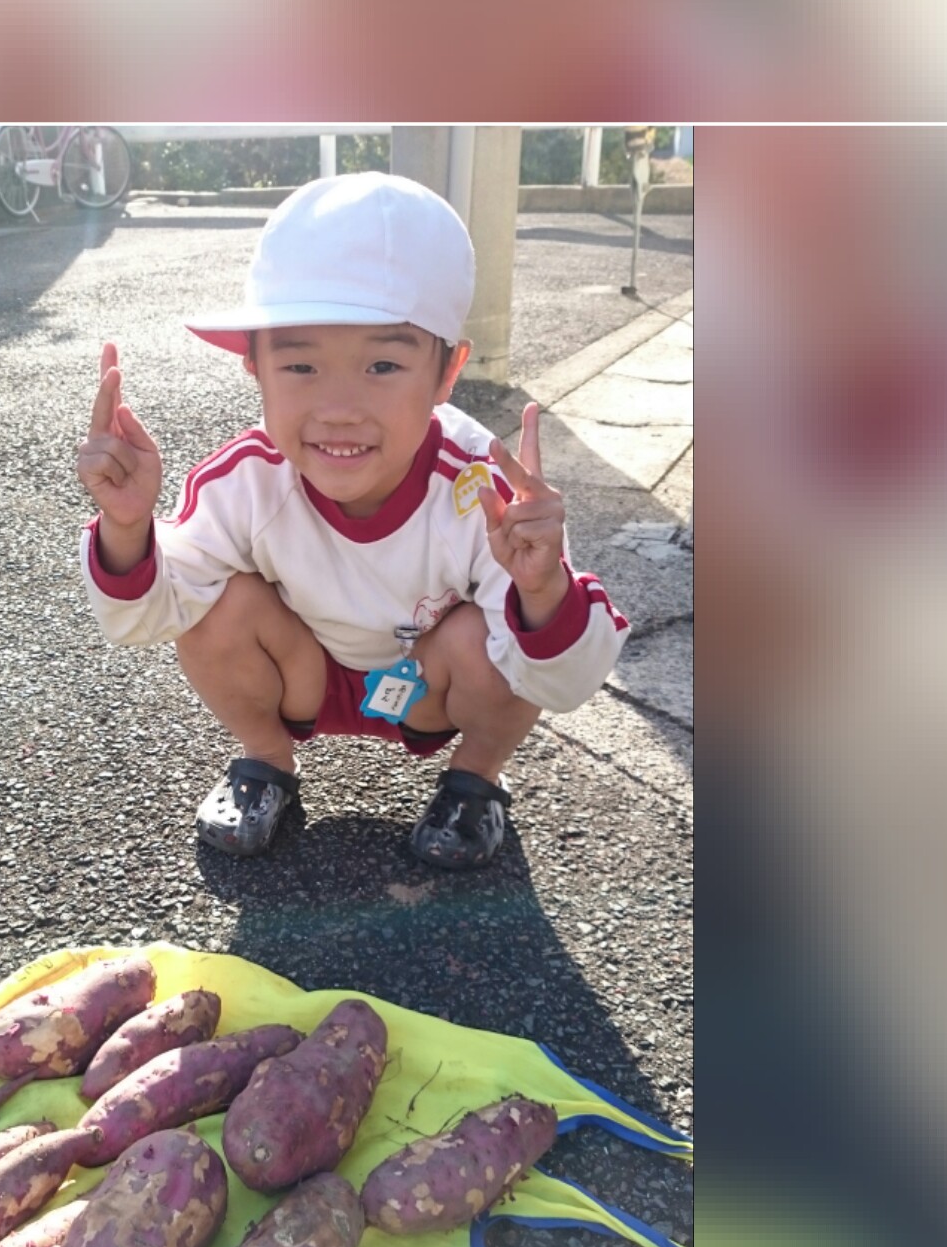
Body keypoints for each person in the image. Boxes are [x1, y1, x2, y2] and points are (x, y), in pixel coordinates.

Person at [74, 171, 628, 868]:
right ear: (254, 368)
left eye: (383, 365)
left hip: (432, 683)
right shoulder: (245, 479)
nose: (338, 409)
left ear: (447, 372)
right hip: (303, 670)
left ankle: (477, 777)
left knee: (508, 624)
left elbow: (563, 682)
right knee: (211, 608)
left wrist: (543, 591)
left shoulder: (487, 494)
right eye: (301, 366)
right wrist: (129, 529)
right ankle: (266, 761)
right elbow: (147, 618)